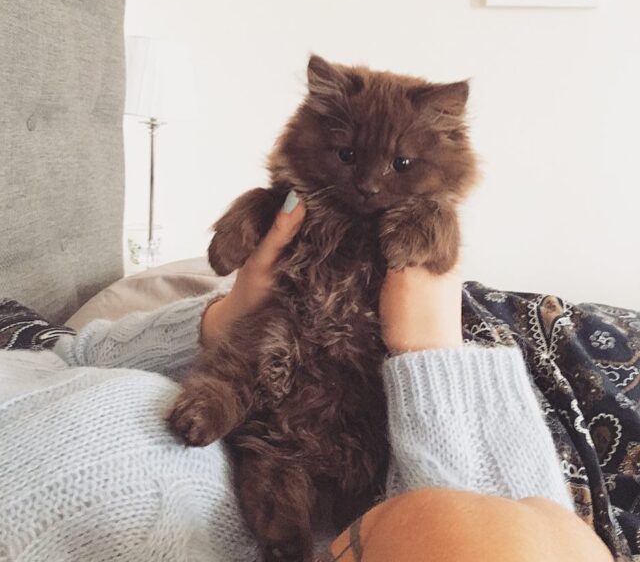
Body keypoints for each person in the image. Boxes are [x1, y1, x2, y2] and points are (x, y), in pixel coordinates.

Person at [0, 193, 612, 562]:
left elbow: (77, 353)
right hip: (459, 411)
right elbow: (523, 537)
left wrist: (223, 320)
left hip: (293, 359)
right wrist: (433, 357)